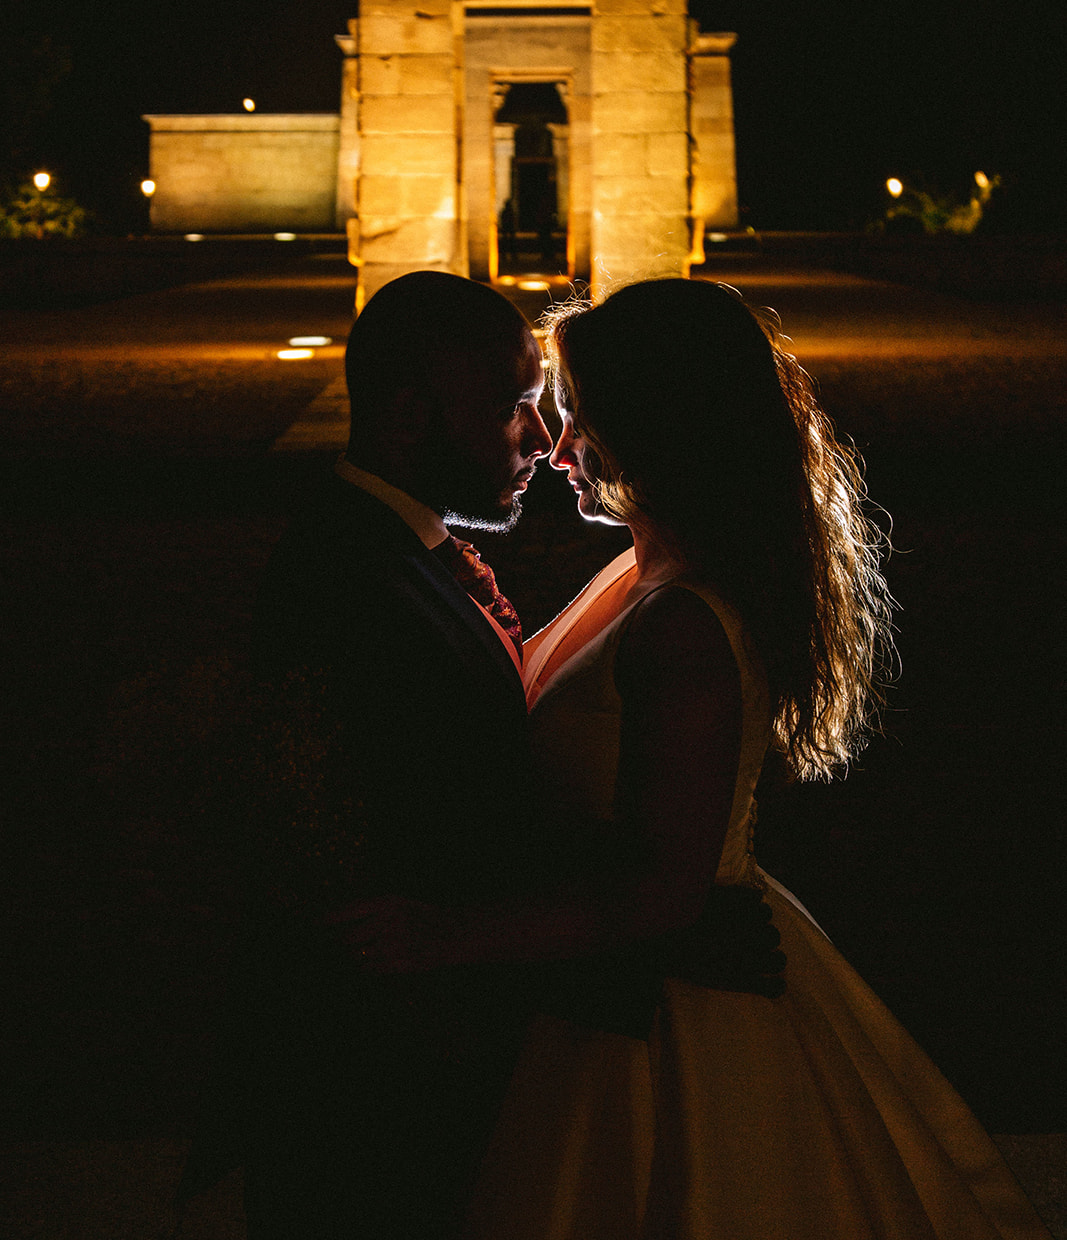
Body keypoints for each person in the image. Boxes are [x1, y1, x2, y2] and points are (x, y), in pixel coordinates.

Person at [346, 278, 1050, 1239]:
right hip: (609, 985)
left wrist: (455, 934)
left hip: (672, 1018)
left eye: (577, 421)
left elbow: (668, 891)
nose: (552, 451)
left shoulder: (683, 624)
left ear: (655, 427)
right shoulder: (637, 573)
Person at [177, 271, 783, 1240]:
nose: (548, 442)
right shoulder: (375, 579)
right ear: (415, 413)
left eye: (567, 411)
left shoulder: (640, 603)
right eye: (519, 407)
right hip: (397, 1060)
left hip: (596, 1027)